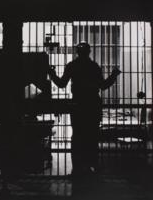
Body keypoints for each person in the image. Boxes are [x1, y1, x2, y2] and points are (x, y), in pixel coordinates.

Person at [48, 42, 121, 175]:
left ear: (77, 52)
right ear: (89, 52)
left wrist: (51, 73)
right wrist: (114, 75)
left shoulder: (72, 66)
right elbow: (103, 85)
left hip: (78, 104)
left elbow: (61, 84)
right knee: (92, 135)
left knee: (77, 135)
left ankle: (77, 165)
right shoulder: (93, 67)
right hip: (92, 104)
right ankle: (92, 163)